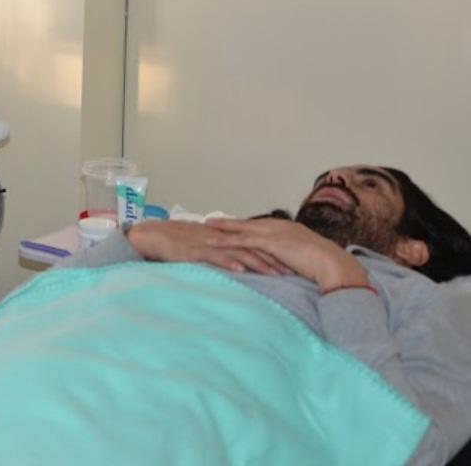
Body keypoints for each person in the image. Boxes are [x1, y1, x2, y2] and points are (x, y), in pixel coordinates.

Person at [53, 164, 471, 465]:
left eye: (371, 183)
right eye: (326, 178)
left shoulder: (419, 298)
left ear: (410, 249)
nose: (335, 177)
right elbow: (37, 302)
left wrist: (339, 274)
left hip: (169, 416)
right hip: (74, 370)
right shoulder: (214, 242)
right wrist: (139, 239)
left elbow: (414, 453)